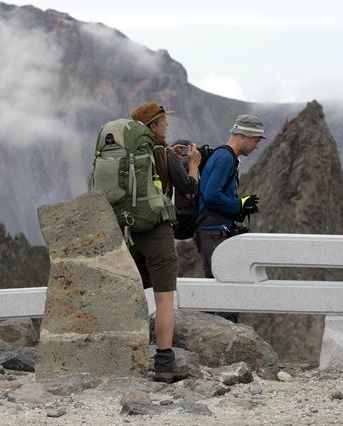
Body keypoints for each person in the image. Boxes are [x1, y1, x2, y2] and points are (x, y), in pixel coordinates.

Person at [130, 101, 200, 382]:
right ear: (153, 126)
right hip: (156, 231)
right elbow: (189, 190)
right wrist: (193, 165)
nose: (167, 127)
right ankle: (164, 362)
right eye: (163, 123)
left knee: (128, 293)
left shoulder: (127, 154)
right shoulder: (163, 155)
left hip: (126, 230)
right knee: (164, 299)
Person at [196, 114, 264, 279]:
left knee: (221, 285)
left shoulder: (223, 156)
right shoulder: (225, 158)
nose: (256, 146)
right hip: (213, 233)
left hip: (213, 231)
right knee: (220, 287)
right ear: (242, 136)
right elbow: (211, 196)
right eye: (256, 140)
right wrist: (239, 205)